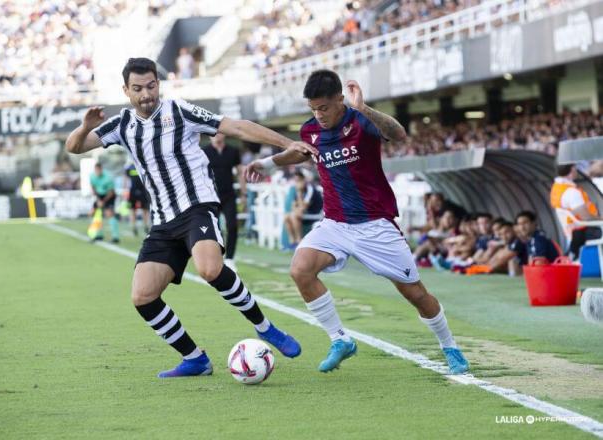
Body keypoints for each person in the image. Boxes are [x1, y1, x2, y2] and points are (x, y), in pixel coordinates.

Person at [66, 57, 316, 378]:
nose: (146, 95)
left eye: (151, 86)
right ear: (126, 90)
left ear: (159, 83)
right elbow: (74, 147)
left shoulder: (179, 111)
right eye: (138, 88)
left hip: (197, 206)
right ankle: (195, 358)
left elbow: (236, 126)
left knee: (210, 269)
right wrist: (86, 125)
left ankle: (265, 328)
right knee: (143, 296)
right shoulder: (121, 124)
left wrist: (287, 141)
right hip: (163, 221)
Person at [246, 70, 468, 374]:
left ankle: (450, 347)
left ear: (340, 99)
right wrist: (266, 163)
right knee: (300, 270)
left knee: (415, 293)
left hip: (375, 224)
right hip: (335, 224)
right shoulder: (311, 130)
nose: (319, 115)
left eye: (324, 107)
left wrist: (364, 109)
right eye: (313, 108)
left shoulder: (361, 122)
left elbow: (400, 134)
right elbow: (302, 154)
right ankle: (340, 340)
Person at [201, 132, 246, 271]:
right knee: (215, 229)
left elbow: (240, 172)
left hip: (229, 195)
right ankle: (217, 257)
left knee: (232, 226)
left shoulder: (233, 151)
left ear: (224, 135)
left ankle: (230, 258)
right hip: (211, 195)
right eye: (213, 134)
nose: (216, 136)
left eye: (219, 133)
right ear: (209, 136)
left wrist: (244, 193)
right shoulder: (204, 151)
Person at [550, 164, 602, 259]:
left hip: (573, 230)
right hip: (584, 230)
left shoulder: (556, 188)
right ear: (572, 169)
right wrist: (600, 219)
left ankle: (571, 254)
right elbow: (585, 217)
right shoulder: (571, 192)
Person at [284, 169, 323, 249]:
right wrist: (299, 193)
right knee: (287, 216)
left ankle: (299, 241)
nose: (297, 182)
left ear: (304, 179)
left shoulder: (310, 189)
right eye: (296, 180)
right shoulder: (298, 190)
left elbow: (303, 207)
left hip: (315, 214)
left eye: (299, 180)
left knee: (294, 216)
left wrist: (299, 193)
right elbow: (293, 206)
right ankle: (292, 242)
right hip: (305, 213)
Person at [89, 162, 119, 243]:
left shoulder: (108, 177)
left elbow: (111, 192)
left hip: (109, 196)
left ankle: (115, 237)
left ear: (101, 169)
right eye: (96, 170)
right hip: (99, 196)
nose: (97, 172)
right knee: (95, 213)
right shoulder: (92, 176)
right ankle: (98, 235)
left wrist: (103, 201)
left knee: (109, 214)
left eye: (99, 170)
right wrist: (98, 200)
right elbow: (93, 187)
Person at [125, 162, 150, 236]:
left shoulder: (142, 164)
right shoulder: (129, 167)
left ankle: (146, 227)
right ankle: (134, 228)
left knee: (145, 209)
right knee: (133, 210)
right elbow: (126, 178)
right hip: (132, 191)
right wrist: (125, 189)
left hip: (143, 191)